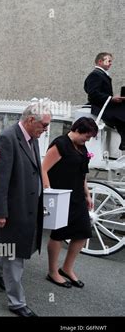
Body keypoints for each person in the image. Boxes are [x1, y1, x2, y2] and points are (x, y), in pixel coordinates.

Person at [0, 99, 51, 317]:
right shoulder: (6, 138)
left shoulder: (32, 137)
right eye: (44, 125)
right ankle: (17, 303)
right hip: (12, 209)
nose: (45, 130)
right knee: (15, 257)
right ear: (31, 120)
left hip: (27, 206)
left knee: (14, 250)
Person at [42, 117, 97, 288]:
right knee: (58, 234)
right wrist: (49, 192)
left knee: (82, 232)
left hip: (77, 196)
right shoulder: (60, 144)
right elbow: (43, 169)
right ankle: (52, 271)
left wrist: (87, 194)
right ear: (79, 130)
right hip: (61, 194)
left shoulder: (81, 147)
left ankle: (67, 268)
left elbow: (83, 174)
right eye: (87, 136)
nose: (88, 140)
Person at [84, 52, 125, 150]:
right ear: (100, 61)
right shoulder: (95, 75)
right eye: (109, 61)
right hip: (100, 107)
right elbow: (93, 94)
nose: (111, 63)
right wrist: (111, 99)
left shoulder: (100, 74)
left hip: (105, 105)